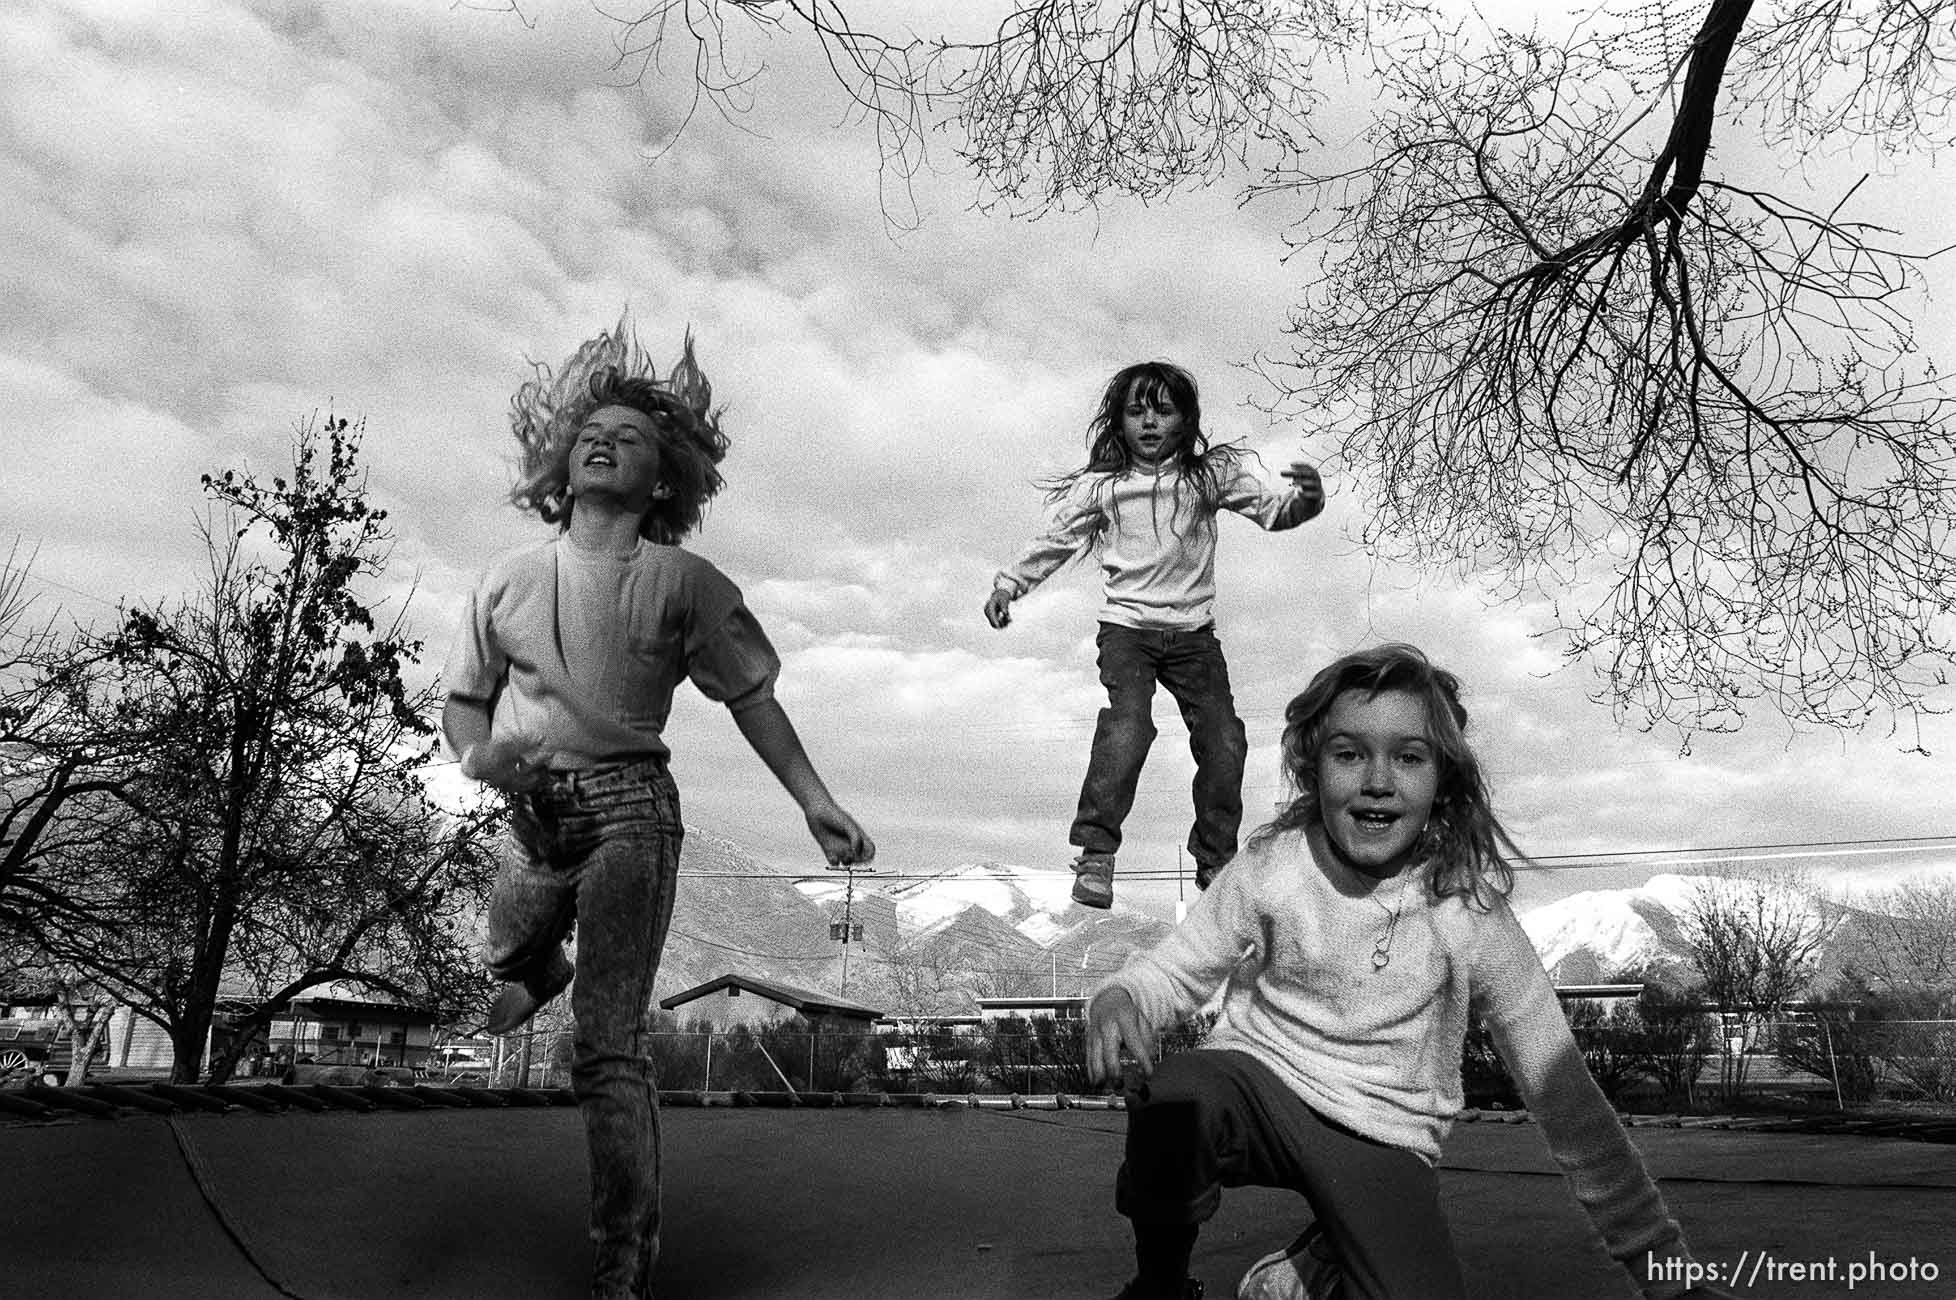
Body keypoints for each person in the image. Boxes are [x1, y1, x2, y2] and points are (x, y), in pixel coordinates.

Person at [1084, 644, 1733, 1300]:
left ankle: (1322, 1263)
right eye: (1349, 754)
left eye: (1408, 757)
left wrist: (1666, 1275)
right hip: (1259, 1088)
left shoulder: (1469, 914)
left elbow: (1565, 1097)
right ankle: (1162, 1284)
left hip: (1382, 1131)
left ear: (1442, 780)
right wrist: (1123, 995)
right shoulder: (1274, 866)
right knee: (1177, 1097)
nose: (1377, 780)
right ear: (1314, 770)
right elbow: (1175, 969)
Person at [442, 318, 875, 1300]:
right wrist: (478, 751)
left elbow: (754, 699)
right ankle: (540, 962)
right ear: (563, 456)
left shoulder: (685, 583)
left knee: (606, 1043)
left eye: (630, 437)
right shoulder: (507, 581)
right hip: (535, 811)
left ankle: (622, 1257)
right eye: (591, 430)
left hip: (633, 812)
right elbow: (465, 700)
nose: (604, 440)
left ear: (665, 478)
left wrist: (817, 802)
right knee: (508, 950)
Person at [983, 361, 1324, 908]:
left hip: (1193, 638)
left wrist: (1304, 502)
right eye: (1136, 411)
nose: (1148, 423)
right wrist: (1008, 585)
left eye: (1162, 412)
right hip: (1128, 632)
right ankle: (1096, 852)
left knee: (1225, 740)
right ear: (1118, 422)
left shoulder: (1207, 478)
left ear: (1185, 422)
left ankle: (1216, 860)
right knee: (1129, 726)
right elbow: (1054, 541)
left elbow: (1272, 512)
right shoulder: (1105, 488)